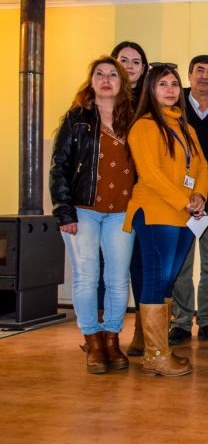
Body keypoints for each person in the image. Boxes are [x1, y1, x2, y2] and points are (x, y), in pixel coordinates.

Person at [50, 56, 135, 374]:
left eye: (113, 74)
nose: (106, 79)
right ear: (91, 80)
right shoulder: (77, 118)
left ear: (122, 82)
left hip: (121, 213)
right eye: (99, 74)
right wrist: (63, 210)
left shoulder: (133, 119)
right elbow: (58, 167)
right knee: (87, 277)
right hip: (83, 211)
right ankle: (92, 342)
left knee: (117, 279)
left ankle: (112, 340)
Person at [125, 63, 208, 377]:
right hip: (157, 211)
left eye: (174, 83)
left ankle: (159, 349)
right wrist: (185, 201)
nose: (171, 89)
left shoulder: (186, 127)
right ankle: (156, 354)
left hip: (184, 214)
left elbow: (200, 166)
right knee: (156, 279)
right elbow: (151, 175)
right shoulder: (144, 126)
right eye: (163, 84)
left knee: (169, 279)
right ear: (150, 90)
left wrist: (199, 194)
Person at [169, 55, 208, 345]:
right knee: (180, 263)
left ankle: (207, 322)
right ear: (189, 75)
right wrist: (189, 193)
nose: (205, 76)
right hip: (180, 200)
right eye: (199, 71)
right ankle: (180, 322)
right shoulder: (171, 104)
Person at [110, 40, 149, 356]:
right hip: (108, 195)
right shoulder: (102, 102)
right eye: (124, 60)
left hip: (143, 193)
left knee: (140, 262)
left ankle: (142, 330)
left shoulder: (150, 102)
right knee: (109, 266)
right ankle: (104, 335)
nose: (131, 66)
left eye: (137, 61)